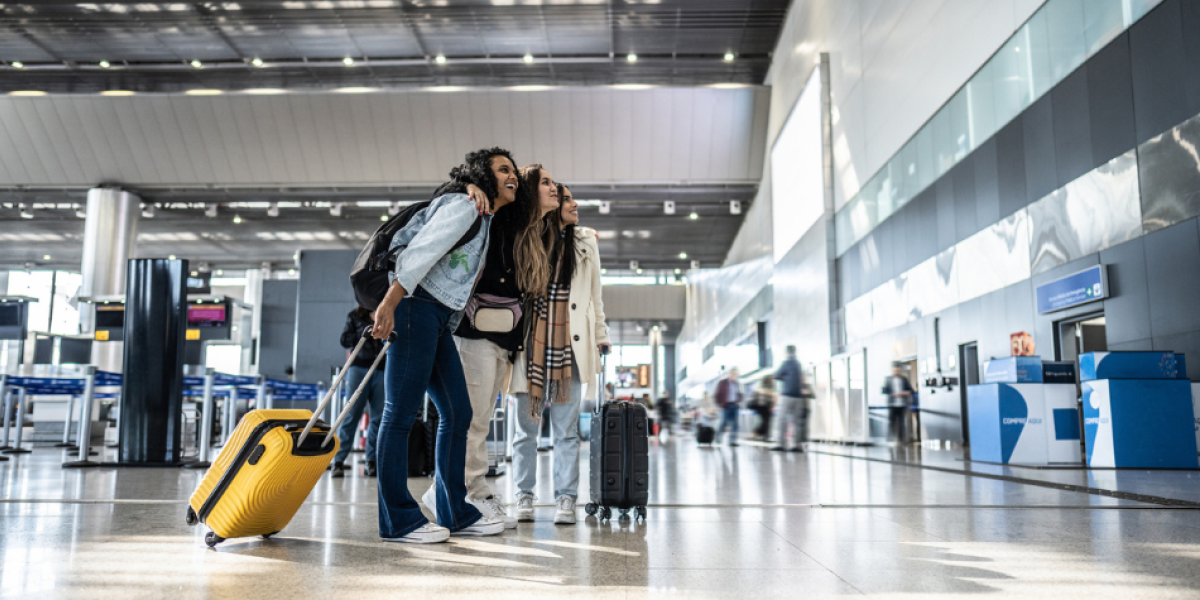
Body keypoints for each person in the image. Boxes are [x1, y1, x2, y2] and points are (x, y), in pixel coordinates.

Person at [370, 147, 520, 544]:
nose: (513, 176)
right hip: (413, 306)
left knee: (458, 410)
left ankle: (455, 509)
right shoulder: (464, 205)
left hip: (436, 316)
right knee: (399, 413)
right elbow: (421, 252)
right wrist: (390, 302)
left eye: (515, 171)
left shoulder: (484, 215)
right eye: (503, 169)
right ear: (484, 176)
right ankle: (397, 519)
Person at [417, 160, 550, 531]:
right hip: (474, 331)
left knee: (479, 419)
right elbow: (444, 202)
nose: (554, 188)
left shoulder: (530, 230)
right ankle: (468, 492)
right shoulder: (500, 216)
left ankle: (456, 490)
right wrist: (464, 187)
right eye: (547, 182)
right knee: (471, 420)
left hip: (502, 336)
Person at [512, 181, 610, 525]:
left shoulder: (585, 242)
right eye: (566, 199)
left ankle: (566, 498)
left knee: (567, 432)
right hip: (532, 345)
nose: (573, 204)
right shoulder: (528, 237)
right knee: (525, 431)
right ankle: (523, 494)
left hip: (572, 345)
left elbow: (595, 295)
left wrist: (601, 333)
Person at [330, 306, 386, 478]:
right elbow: (345, 340)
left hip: (381, 368)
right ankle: (338, 460)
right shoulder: (355, 316)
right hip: (359, 367)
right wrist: (365, 331)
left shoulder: (387, 312)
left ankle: (371, 462)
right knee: (351, 414)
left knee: (378, 417)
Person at [771, 346, 807, 452]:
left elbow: (776, 375)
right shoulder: (798, 364)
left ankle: (781, 444)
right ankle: (797, 445)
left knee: (781, 419)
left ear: (786, 352)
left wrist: (784, 378)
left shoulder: (787, 362)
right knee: (796, 421)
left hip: (787, 395)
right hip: (798, 396)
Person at [885, 363, 915, 443]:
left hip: (902, 404)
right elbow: (885, 390)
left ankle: (901, 439)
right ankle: (891, 439)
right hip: (892, 404)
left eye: (898, 370)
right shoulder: (888, 379)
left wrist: (903, 393)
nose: (896, 371)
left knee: (901, 422)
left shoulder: (904, 379)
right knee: (892, 422)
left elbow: (911, 390)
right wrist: (893, 394)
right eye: (895, 370)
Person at [714, 369, 743, 446]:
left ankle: (732, 441)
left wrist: (739, 400)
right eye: (733, 374)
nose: (735, 376)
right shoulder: (723, 383)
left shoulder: (736, 384)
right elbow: (717, 394)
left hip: (734, 405)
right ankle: (718, 437)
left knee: (735, 424)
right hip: (725, 405)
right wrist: (719, 404)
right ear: (730, 374)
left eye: (736, 374)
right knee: (724, 422)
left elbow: (740, 393)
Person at [749, 376, 776, 441]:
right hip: (760, 405)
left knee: (767, 421)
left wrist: (773, 406)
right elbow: (758, 391)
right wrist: (767, 392)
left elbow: (773, 397)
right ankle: (757, 433)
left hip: (767, 406)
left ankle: (763, 434)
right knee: (765, 421)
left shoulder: (772, 386)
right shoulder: (760, 385)